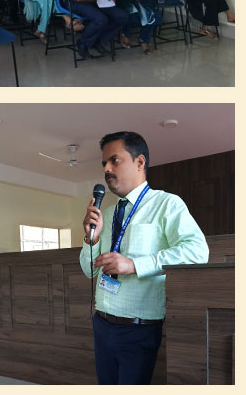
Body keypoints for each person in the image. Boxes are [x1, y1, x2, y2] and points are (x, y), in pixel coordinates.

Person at [80, 131, 208, 384]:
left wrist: (135, 264)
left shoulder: (167, 204)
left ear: (139, 162)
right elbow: (89, 271)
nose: (106, 168)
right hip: (102, 323)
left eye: (114, 160)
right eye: (104, 163)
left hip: (139, 327)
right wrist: (91, 240)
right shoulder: (106, 212)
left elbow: (197, 251)